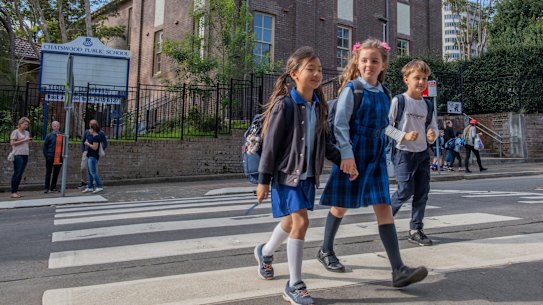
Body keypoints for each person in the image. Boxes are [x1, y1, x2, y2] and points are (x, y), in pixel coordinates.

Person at [318, 39, 428, 288]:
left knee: (384, 208)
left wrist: (400, 136)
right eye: (365, 60)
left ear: (383, 65)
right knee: (341, 205)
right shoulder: (352, 89)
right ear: (357, 62)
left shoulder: (385, 93)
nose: (369, 64)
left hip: (375, 156)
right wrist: (346, 155)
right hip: (354, 155)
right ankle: (325, 250)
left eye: (374, 61)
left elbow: (384, 127)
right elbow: (340, 125)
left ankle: (398, 269)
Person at [253, 46, 341, 305]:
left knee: (292, 223)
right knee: (301, 222)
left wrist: (345, 162)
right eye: (310, 69)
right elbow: (270, 146)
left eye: (319, 70)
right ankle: (294, 284)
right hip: (286, 175)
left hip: (307, 176)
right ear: (294, 74)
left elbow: (324, 142)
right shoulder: (285, 104)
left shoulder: (318, 105)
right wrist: (263, 181)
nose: (316, 74)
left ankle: (265, 252)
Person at [387, 59, 439, 246]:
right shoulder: (399, 101)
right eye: (417, 78)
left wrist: (432, 135)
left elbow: (433, 127)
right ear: (406, 79)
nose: (421, 82)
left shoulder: (428, 105)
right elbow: (386, 127)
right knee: (405, 190)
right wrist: (404, 135)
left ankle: (416, 229)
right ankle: (384, 222)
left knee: (422, 192)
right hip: (404, 153)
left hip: (423, 153)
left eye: (424, 79)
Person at [79, 119, 107, 188]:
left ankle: (96, 184)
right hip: (87, 152)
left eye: (93, 125)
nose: (91, 127)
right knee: (84, 167)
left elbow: (105, 143)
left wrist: (99, 150)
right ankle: (85, 183)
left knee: (93, 170)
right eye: (91, 124)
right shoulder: (87, 132)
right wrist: (83, 151)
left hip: (94, 153)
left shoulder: (100, 133)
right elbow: (83, 142)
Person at [10, 117, 32, 198]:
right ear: (20, 124)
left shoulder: (27, 132)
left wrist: (28, 141)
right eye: (25, 124)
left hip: (25, 154)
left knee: (20, 174)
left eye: (27, 124)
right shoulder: (15, 132)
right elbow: (12, 143)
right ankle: (13, 192)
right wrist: (23, 140)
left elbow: (26, 142)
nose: (26, 126)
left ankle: (16, 191)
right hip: (18, 154)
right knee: (17, 173)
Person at [42, 121, 64, 193]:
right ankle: (46, 188)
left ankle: (53, 187)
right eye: (55, 126)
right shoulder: (49, 136)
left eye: (57, 126)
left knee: (56, 173)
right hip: (50, 156)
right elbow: (45, 146)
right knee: (48, 172)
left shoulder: (62, 135)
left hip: (59, 157)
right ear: (52, 127)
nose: (56, 127)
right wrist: (46, 156)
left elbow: (64, 146)